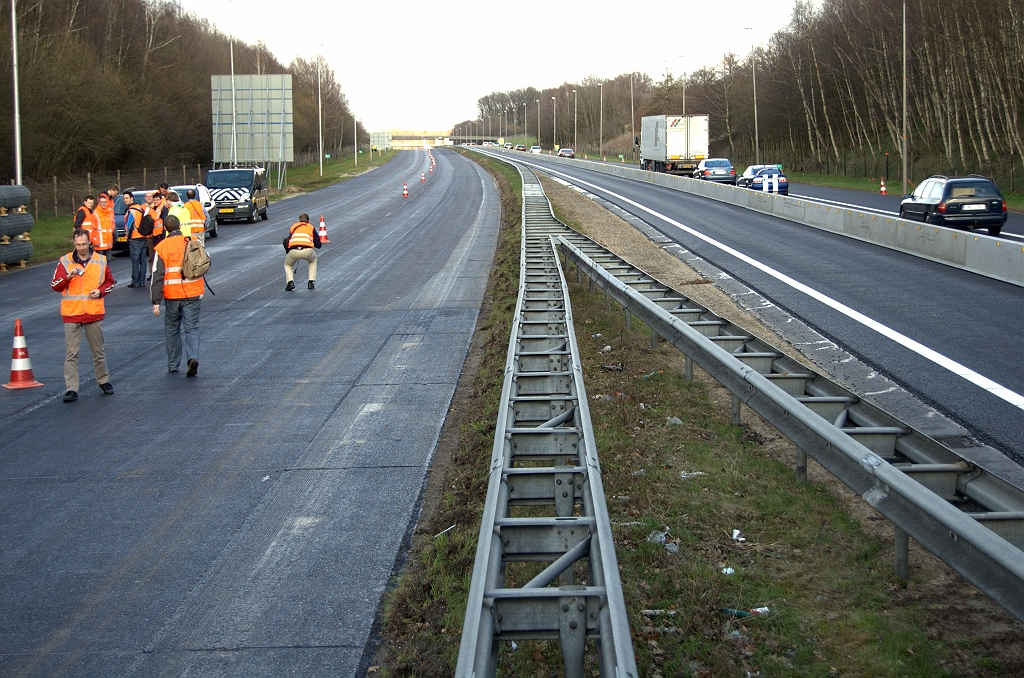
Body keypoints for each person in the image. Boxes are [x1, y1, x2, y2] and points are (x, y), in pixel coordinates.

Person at [51, 228, 116, 402]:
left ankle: (103, 381)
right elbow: (55, 285)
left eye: (84, 244)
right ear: (74, 243)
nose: (81, 248)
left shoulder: (100, 260)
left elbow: (110, 282)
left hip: (93, 312)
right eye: (78, 244)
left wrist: (100, 291)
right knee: (71, 354)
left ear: (89, 242)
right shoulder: (65, 261)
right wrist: (67, 277)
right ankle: (71, 389)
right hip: (72, 314)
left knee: (98, 351)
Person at [151, 214, 203, 377]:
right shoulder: (192, 241)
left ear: (165, 229)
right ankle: (192, 357)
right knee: (192, 328)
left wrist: (156, 301)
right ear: (179, 227)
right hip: (193, 292)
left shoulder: (162, 247)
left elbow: (157, 275)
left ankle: (173, 364)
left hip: (172, 295)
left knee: (173, 329)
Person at [283, 213, 321, 291]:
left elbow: (289, 240)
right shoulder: (311, 227)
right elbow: (318, 244)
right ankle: (311, 282)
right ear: (308, 220)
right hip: (307, 250)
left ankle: (290, 282)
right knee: (313, 260)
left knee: (288, 264)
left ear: (299, 220)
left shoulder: (293, 227)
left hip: (294, 250)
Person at [124, 190, 149, 288]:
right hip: (144, 237)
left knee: (135, 261)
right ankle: (142, 281)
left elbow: (130, 225)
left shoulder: (131, 210)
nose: (125, 200)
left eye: (127, 198)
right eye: (124, 198)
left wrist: (128, 237)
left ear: (131, 198)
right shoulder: (141, 208)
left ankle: (135, 282)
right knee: (143, 261)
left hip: (135, 238)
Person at [92, 192, 115, 256]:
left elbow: (113, 225)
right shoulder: (95, 213)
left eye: (105, 202)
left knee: (108, 261)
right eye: (102, 202)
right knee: (100, 262)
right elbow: (92, 228)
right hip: (99, 245)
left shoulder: (110, 212)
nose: (103, 204)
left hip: (109, 244)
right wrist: (95, 241)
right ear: (99, 203)